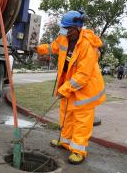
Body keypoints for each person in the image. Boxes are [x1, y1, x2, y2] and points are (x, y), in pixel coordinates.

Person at [33, 11, 106, 164]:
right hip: (69, 85)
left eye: (66, 28)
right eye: (63, 28)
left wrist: (65, 89)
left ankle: (79, 150)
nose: (63, 31)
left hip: (85, 91)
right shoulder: (64, 37)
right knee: (66, 115)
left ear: (76, 28)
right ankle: (65, 142)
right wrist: (38, 49)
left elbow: (83, 75)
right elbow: (53, 47)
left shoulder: (88, 45)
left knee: (81, 121)